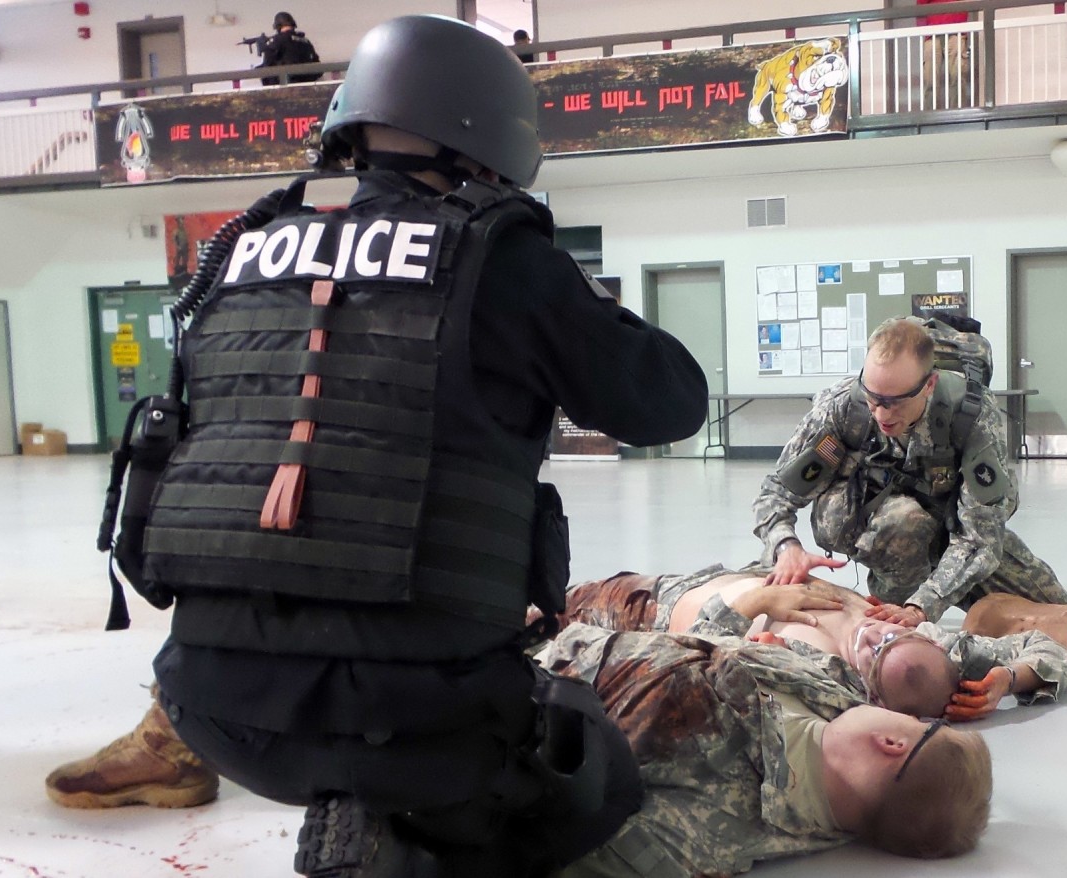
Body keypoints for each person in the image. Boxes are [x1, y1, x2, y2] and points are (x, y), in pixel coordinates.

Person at [140, 14, 707, 878]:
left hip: (212, 706)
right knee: (593, 766)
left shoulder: (242, 253)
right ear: (492, 136)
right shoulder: (500, 258)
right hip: (422, 714)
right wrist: (563, 295)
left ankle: (354, 811)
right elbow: (670, 402)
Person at [541, 623, 992, 875]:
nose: (911, 717)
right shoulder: (834, 703)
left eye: (918, 725)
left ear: (892, 743)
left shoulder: (704, 828)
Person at [754, 316, 1067, 626]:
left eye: (894, 402)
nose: (881, 413)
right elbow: (775, 494)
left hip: (950, 524)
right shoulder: (842, 407)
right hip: (871, 522)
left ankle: (911, 598)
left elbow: (980, 537)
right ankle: (890, 606)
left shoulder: (970, 415)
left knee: (1066, 617)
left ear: (929, 384)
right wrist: (787, 547)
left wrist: (923, 605)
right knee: (905, 522)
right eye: (873, 397)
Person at [547, 563, 1067, 722]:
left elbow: (694, 654)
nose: (879, 632)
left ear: (868, 687)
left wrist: (757, 604)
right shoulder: (932, 646)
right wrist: (1011, 677)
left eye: (876, 649)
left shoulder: (820, 675)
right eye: (894, 634)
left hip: (651, 609)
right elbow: (1052, 651)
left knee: (537, 615)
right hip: (720, 571)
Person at [918, 0, 975, 110]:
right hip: (932, 31)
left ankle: (958, 115)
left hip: (956, 28)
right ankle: (930, 117)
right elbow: (920, 4)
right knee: (930, 78)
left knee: (958, 75)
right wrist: (923, 29)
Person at [258, 11, 321, 86]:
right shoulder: (306, 41)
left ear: (277, 26)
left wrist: (263, 46)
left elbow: (268, 62)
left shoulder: (278, 39)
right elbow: (317, 64)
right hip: (307, 85)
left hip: (286, 85)